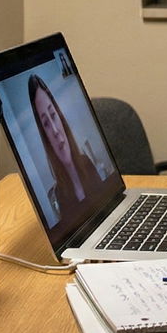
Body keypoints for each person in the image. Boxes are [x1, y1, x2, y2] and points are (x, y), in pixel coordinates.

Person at [28, 74, 104, 222]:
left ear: (60, 117)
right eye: (46, 124)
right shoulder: (58, 196)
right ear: (45, 136)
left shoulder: (86, 162)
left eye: (53, 115)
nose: (55, 131)